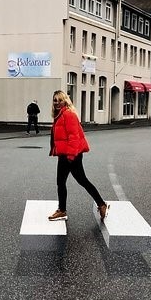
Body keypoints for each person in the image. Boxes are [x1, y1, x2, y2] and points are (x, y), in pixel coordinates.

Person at [47, 90, 109, 222]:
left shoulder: (68, 115)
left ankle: (100, 204)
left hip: (71, 155)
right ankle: (100, 204)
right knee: (73, 181)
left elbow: (74, 137)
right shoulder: (59, 115)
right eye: (55, 100)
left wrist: (70, 156)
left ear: (65, 101)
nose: (57, 103)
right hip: (66, 155)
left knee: (74, 181)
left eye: (60, 100)